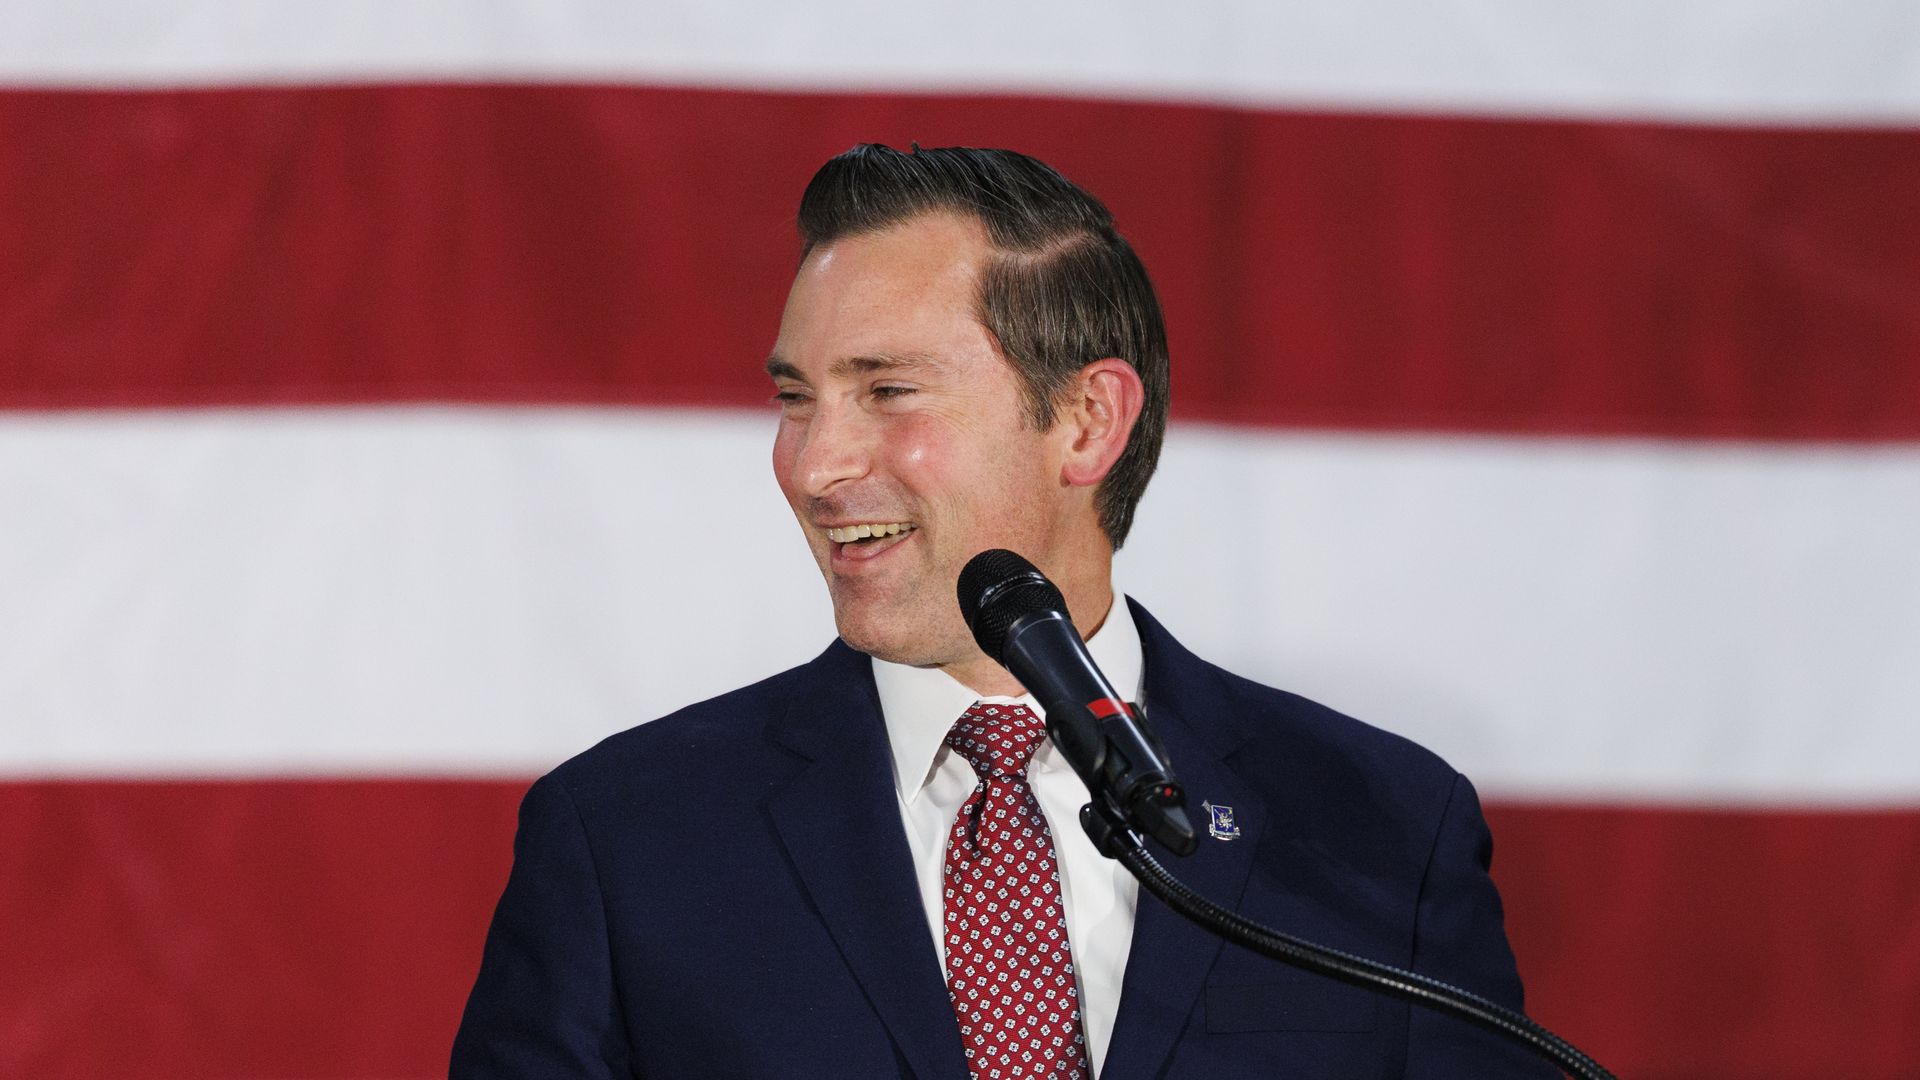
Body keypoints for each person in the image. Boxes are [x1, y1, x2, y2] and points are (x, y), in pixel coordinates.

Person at [451, 144, 1553, 1079]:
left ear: (1083, 422)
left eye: (887, 392)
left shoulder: (1382, 829)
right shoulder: (625, 840)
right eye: (796, 399)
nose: (815, 464)